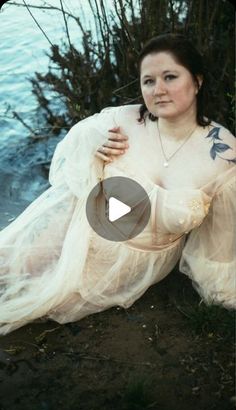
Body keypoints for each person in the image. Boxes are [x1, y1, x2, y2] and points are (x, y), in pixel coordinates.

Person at [0, 33, 235, 336]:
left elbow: (219, 245)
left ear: (197, 81)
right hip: (77, 222)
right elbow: (68, 166)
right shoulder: (120, 123)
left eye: (170, 77)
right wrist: (96, 154)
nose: (158, 90)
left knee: (35, 300)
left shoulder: (223, 156)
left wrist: (220, 287)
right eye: (148, 81)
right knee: (12, 265)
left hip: (131, 262)